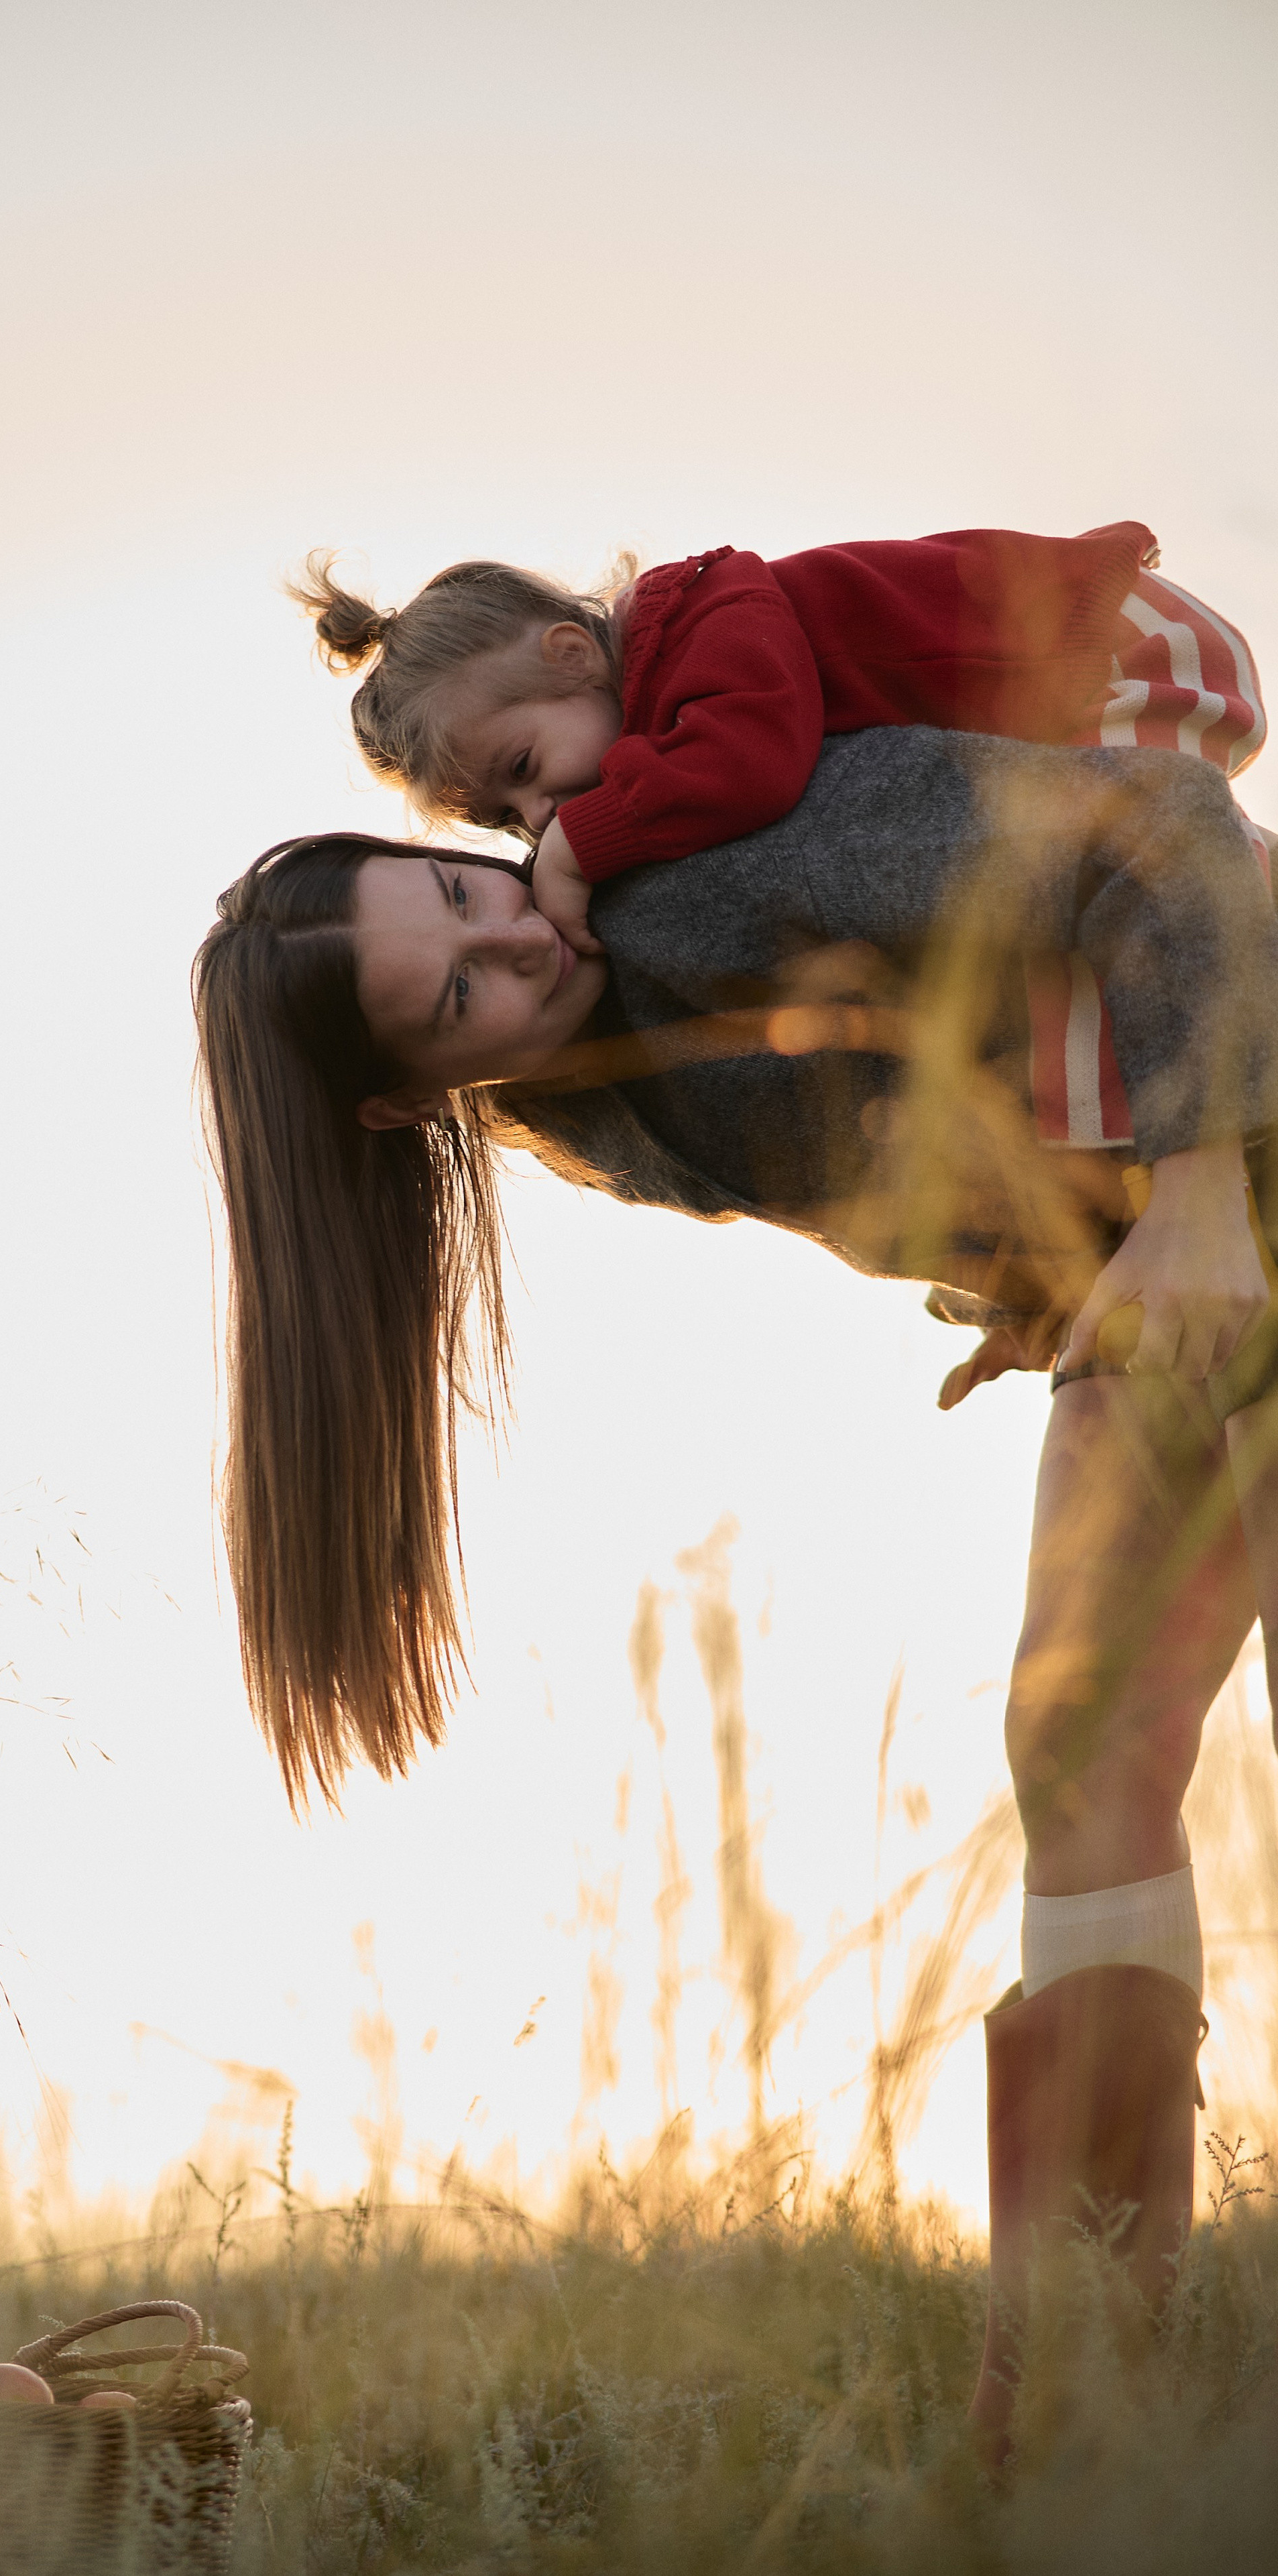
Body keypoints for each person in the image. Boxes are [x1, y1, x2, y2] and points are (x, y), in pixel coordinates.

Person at [194, 717, 1278, 2454]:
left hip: (1243, 1160)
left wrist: (1201, 1187)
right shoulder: (577, 1095)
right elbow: (935, 1072)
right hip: (1176, 1240)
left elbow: (1153, 816)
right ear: (406, 1102)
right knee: (1078, 1742)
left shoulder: (698, 875)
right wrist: (1036, 1263)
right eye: (459, 990)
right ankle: (1085, 2403)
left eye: (466, 894)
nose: (517, 936)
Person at [292, 528, 1267, 1151]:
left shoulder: (707, 619)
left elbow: (750, 764)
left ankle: (1196, 1137)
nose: (539, 817)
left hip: (1118, 649)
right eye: (505, 818)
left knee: (1144, 902)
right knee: (1065, 935)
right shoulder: (659, 712)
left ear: (572, 653)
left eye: (522, 766)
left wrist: (581, 847)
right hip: (1077, 693)